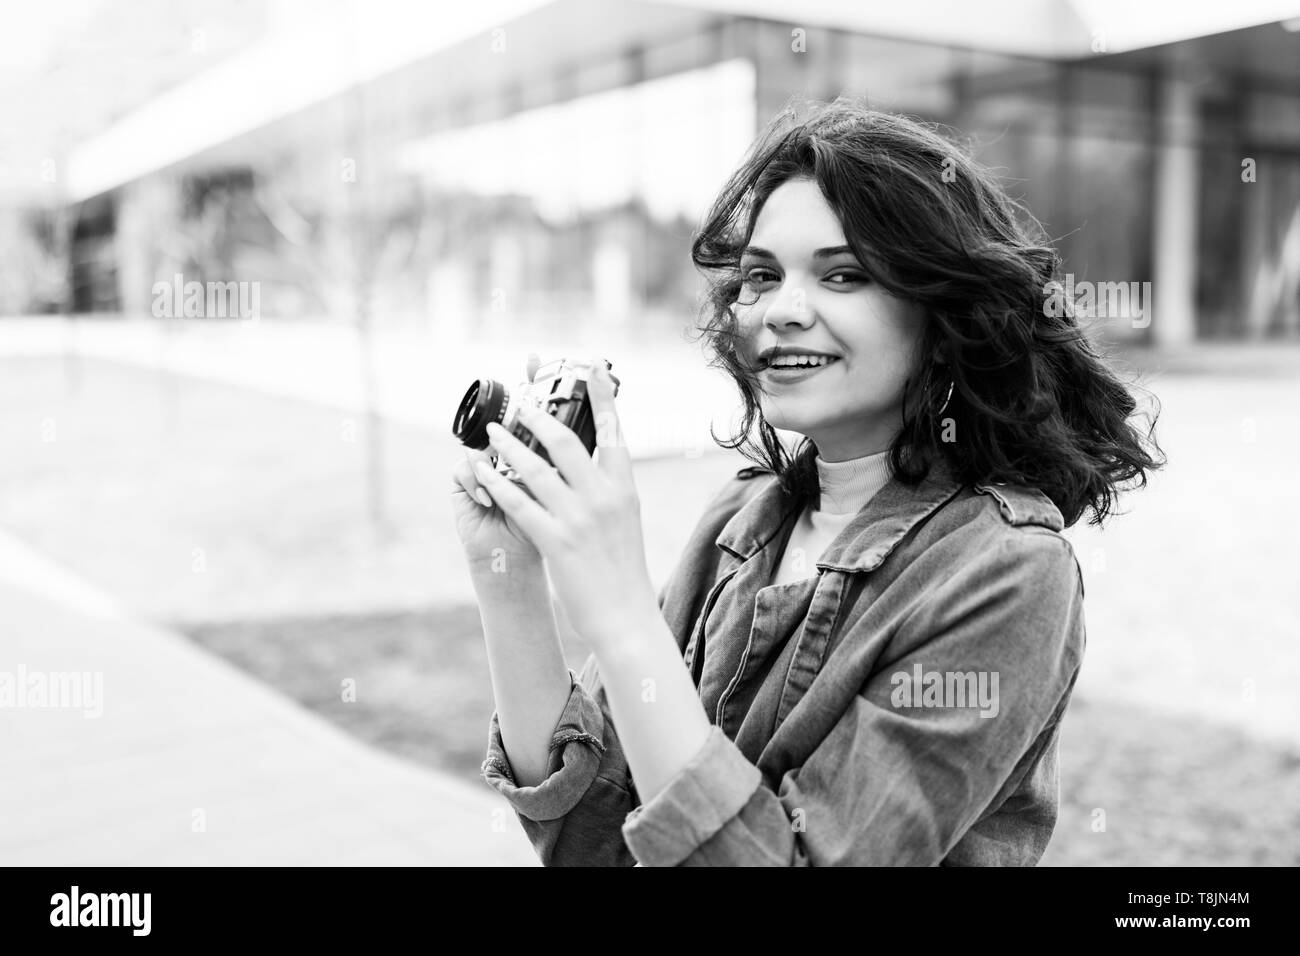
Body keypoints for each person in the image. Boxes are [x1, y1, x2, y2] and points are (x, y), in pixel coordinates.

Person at [449, 99, 1164, 866]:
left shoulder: (1009, 573)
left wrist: (624, 620)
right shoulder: (742, 516)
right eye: (762, 276)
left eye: (844, 274)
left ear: (943, 311)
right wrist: (511, 575)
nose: (781, 312)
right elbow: (595, 843)